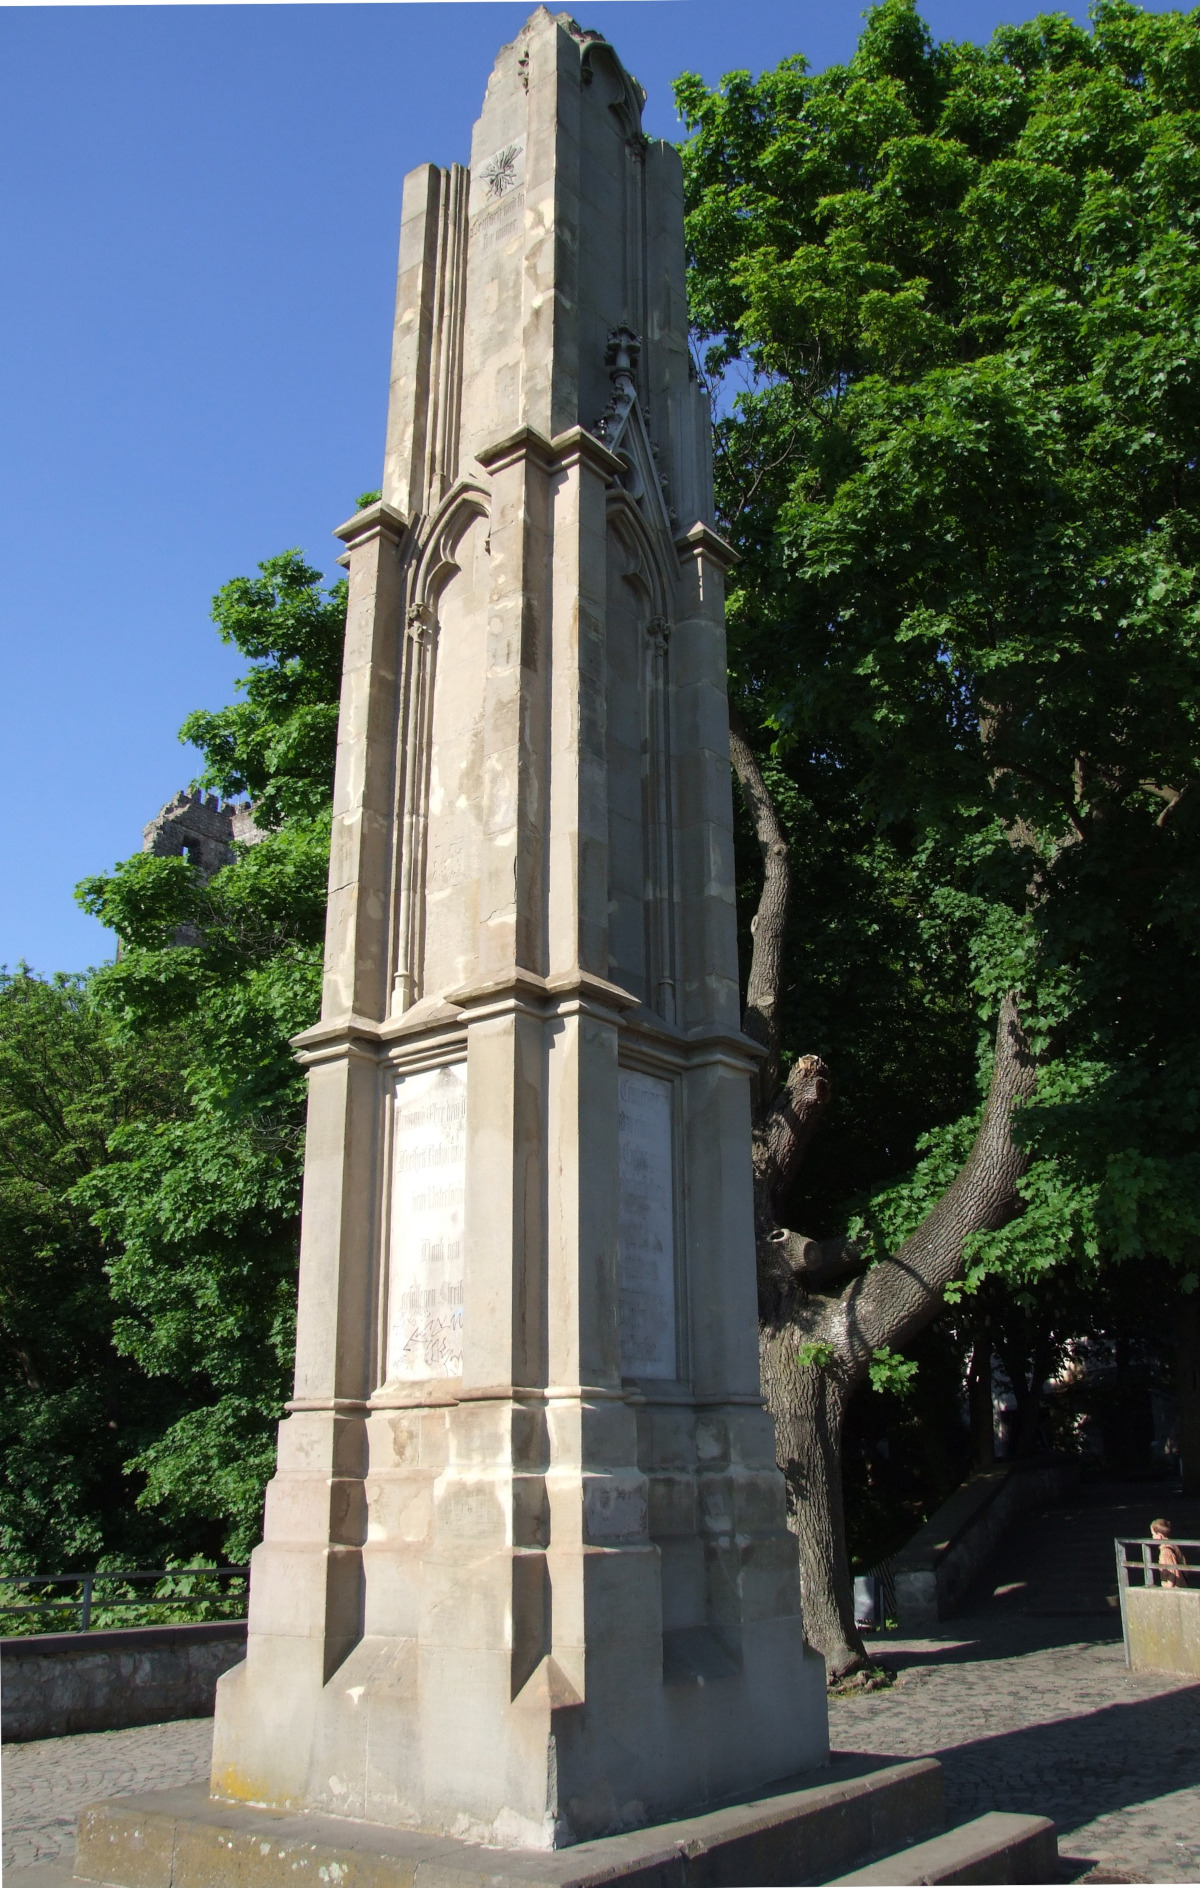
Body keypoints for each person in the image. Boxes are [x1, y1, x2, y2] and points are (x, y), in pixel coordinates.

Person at [1150, 1517, 1187, 1588]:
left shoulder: (1165, 1551)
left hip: (1175, 1588)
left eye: (1153, 1534)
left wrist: (1168, 1589)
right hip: (1182, 1584)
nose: (1152, 1537)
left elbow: (1172, 1572)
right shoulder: (1173, 1545)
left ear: (1160, 1535)